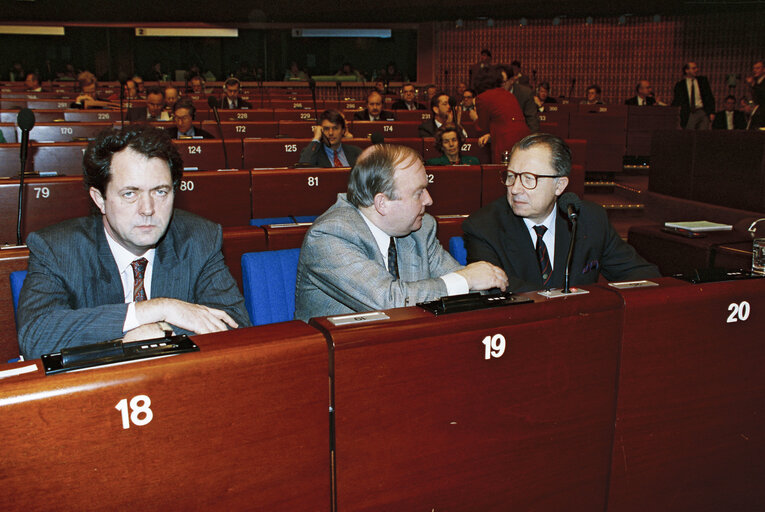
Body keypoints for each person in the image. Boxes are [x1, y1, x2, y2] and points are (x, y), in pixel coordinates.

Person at [17, 125, 250, 359]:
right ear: (100, 199)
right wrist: (158, 309)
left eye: (160, 192)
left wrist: (158, 331)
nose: (147, 209)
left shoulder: (200, 238)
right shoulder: (57, 248)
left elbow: (235, 325)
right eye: (130, 193)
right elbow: (37, 336)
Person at [294, 144, 508, 321]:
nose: (429, 200)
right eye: (418, 193)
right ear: (382, 203)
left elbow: (462, 285)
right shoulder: (329, 236)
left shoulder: (421, 229)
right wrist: (466, 279)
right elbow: (388, 301)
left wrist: (477, 281)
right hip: (338, 359)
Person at [462, 133, 660, 293]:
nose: (514, 189)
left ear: (560, 185)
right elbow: (495, 293)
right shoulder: (483, 227)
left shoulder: (589, 219)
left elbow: (640, 274)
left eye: (529, 178)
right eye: (511, 176)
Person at [473, 65, 530, 164]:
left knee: (502, 173)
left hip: (505, 140)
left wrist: (474, 118)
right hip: (524, 139)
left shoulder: (482, 98)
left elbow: (483, 127)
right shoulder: (508, 94)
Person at [298, 110, 362, 168]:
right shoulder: (313, 153)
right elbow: (303, 168)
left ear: (343, 130)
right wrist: (316, 137)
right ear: (321, 131)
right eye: (326, 129)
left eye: (335, 128)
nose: (330, 133)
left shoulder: (356, 152)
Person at [672, 62, 715, 129]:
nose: (696, 70)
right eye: (693, 68)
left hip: (702, 111)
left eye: (696, 68)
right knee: (689, 133)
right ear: (687, 70)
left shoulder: (702, 81)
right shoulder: (680, 85)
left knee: (703, 134)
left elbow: (709, 96)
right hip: (689, 112)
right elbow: (677, 100)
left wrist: (712, 112)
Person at [501, 65, 539, 131]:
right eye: (498, 82)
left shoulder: (525, 93)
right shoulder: (492, 92)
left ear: (512, 80)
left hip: (519, 134)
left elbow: (531, 120)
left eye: (503, 82)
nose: (500, 85)